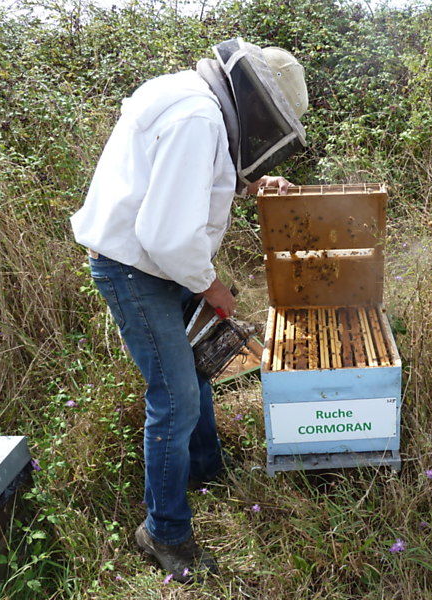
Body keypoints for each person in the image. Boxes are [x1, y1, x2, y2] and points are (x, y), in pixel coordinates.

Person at [69, 38, 309, 582]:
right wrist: (212, 286)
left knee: (196, 370)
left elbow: (186, 182)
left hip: (153, 261)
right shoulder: (197, 118)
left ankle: (205, 469)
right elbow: (166, 234)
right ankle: (165, 531)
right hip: (139, 268)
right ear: (254, 99)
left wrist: (253, 184)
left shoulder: (187, 93)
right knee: (174, 399)